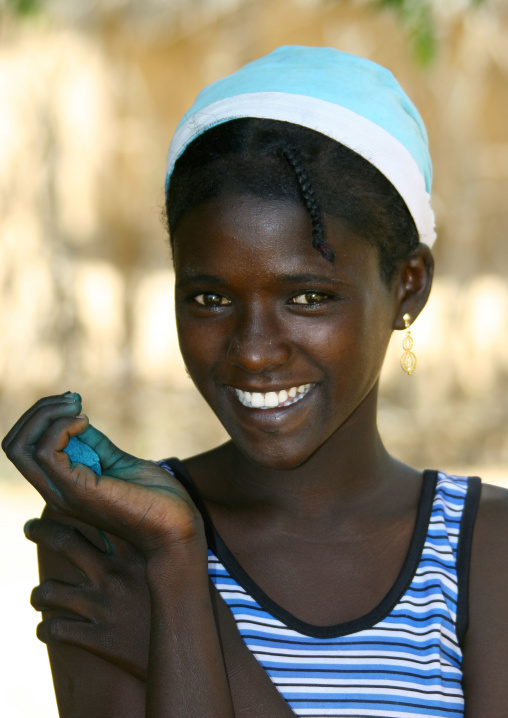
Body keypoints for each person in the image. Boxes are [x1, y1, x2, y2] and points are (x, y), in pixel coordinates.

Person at [3, 46, 508, 718]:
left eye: (308, 297)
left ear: (407, 286)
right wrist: (171, 546)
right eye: (211, 299)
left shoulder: (487, 549)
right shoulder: (115, 538)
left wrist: (185, 602)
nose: (254, 353)